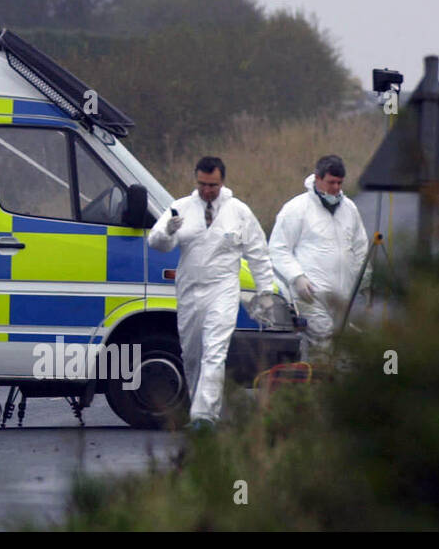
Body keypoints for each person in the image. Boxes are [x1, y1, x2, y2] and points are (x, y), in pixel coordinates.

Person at [149, 156, 275, 429]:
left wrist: (265, 292)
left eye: (213, 185)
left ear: (223, 182)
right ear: (196, 181)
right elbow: (156, 243)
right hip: (190, 290)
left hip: (223, 288)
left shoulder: (238, 211)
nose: (207, 190)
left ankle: (204, 416)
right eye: (203, 184)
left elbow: (258, 254)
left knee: (215, 350)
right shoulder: (180, 208)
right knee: (192, 353)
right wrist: (167, 232)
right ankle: (200, 405)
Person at [269, 155, 369, 360]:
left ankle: (316, 388)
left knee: (337, 350)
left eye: (340, 183)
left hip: (342, 298)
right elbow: (278, 248)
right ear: (317, 178)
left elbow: (360, 248)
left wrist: (365, 280)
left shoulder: (349, 209)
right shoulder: (297, 209)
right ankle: (323, 386)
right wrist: (297, 277)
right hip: (310, 294)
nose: (336, 188)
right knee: (324, 342)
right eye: (331, 182)